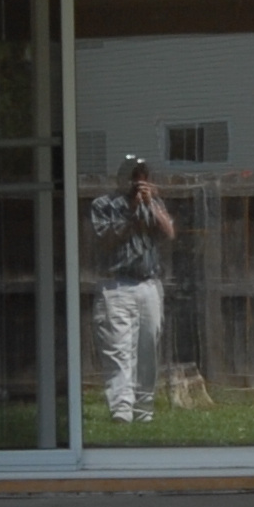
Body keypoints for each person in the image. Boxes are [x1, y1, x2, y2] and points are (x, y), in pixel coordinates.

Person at [84, 156, 176, 424]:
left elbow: (169, 233)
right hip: (116, 285)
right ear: (122, 178)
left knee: (148, 349)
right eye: (134, 176)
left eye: (143, 175)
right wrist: (132, 211)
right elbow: (105, 241)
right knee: (118, 349)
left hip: (148, 285)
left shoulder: (154, 203)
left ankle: (144, 410)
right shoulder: (103, 205)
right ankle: (121, 411)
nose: (139, 181)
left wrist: (151, 206)